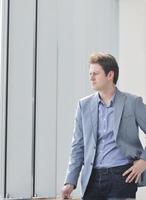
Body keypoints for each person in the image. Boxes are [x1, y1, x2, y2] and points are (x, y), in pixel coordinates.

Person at [61, 52, 146, 200]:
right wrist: (70, 181)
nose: (91, 77)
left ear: (110, 75)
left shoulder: (133, 103)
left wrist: (144, 161)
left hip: (122, 177)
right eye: (90, 73)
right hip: (92, 179)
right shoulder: (84, 106)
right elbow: (78, 146)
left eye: (96, 73)